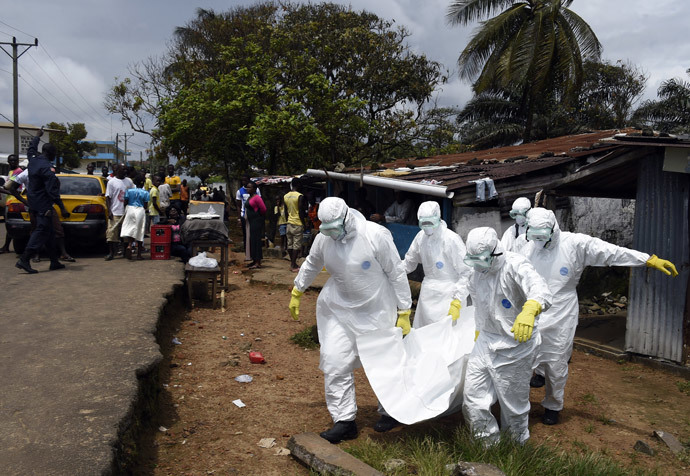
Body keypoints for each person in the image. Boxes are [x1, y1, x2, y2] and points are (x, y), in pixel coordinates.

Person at [520, 207, 678, 425]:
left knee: (556, 361)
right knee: (524, 355)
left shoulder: (575, 244)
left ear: (554, 230)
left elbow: (611, 252)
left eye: (542, 237)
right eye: (534, 237)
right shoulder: (527, 247)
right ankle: (532, 385)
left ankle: (553, 405)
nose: (538, 242)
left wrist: (646, 259)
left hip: (560, 311)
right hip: (532, 309)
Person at [288, 197, 412, 443]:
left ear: (346, 217)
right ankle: (344, 420)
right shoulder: (324, 238)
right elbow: (312, 263)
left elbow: (396, 272)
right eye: (326, 228)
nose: (331, 233)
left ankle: (391, 411)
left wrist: (404, 310)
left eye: (334, 227)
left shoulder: (375, 235)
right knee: (334, 361)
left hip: (376, 308)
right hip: (339, 308)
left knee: (384, 364)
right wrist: (297, 290)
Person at [460, 227, 552, 445]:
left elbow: (540, 290)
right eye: (473, 260)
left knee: (513, 405)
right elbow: (477, 299)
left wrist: (530, 309)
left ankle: (515, 446)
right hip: (486, 340)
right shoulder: (477, 271)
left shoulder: (515, 265)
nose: (477, 265)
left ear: (495, 253)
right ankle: (487, 445)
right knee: (473, 396)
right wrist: (477, 329)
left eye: (481, 259)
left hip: (516, 345)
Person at [403, 201, 472, 328]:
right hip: (428, 294)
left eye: (430, 223)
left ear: (439, 219)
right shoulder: (420, 237)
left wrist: (457, 300)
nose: (427, 227)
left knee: (447, 337)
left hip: (449, 295)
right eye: (423, 223)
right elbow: (409, 262)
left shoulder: (451, 239)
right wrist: (391, 271)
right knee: (425, 334)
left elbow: (466, 272)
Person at [15, 130, 70, 273]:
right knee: (41, 230)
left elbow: (31, 148)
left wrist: (37, 137)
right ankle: (25, 259)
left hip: (32, 201)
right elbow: (53, 191)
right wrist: (62, 207)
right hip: (43, 204)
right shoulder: (47, 168)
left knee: (50, 232)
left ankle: (54, 261)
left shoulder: (33, 159)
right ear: (51, 154)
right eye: (55, 153)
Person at [104, 164, 135, 260]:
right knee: (111, 233)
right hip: (115, 212)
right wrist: (109, 211)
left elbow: (133, 194)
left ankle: (125, 252)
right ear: (117, 170)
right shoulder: (111, 182)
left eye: (126, 170)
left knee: (126, 234)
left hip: (126, 212)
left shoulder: (129, 181)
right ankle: (111, 253)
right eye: (123, 169)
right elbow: (108, 197)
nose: (125, 171)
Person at [120, 174, 149, 260]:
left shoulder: (129, 191)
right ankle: (139, 254)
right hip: (140, 210)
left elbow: (125, 202)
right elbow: (145, 205)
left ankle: (129, 245)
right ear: (143, 183)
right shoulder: (145, 192)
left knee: (130, 228)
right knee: (140, 231)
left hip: (130, 209)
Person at [0, 154, 23, 254]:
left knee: (11, 225)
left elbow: (11, 189)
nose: (12, 162)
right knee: (9, 224)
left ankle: (6, 246)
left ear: (17, 161)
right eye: (11, 161)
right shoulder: (11, 171)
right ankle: (6, 246)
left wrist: (2, 190)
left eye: (14, 161)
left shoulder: (18, 172)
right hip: (10, 200)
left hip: (15, 201)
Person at [236, 174, 261, 261]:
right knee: (246, 236)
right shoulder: (240, 191)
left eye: (245, 180)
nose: (244, 182)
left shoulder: (256, 190)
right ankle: (248, 254)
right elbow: (238, 205)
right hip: (244, 216)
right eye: (242, 181)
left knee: (254, 235)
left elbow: (260, 203)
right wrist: (239, 218)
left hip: (254, 216)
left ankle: (254, 254)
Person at [283, 178, 306, 272]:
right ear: (299, 185)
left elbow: (285, 211)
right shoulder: (300, 196)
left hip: (289, 223)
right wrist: (304, 223)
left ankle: (293, 263)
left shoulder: (286, 196)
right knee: (296, 245)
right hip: (297, 223)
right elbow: (300, 211)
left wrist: (287, 220)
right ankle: (293, 264)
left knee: (290, 244)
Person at [245, 181, 266, 269]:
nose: (247, 189)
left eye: (249, 187)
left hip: (256, 221)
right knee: (252, 240)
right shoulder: (250, 197)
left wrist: (258, 216)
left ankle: (258, 261)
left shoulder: (257, 198)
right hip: (250, 221)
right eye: (247, 187)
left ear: (254, 189)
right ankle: (254, 259)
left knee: (256, 240)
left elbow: (263, 209)